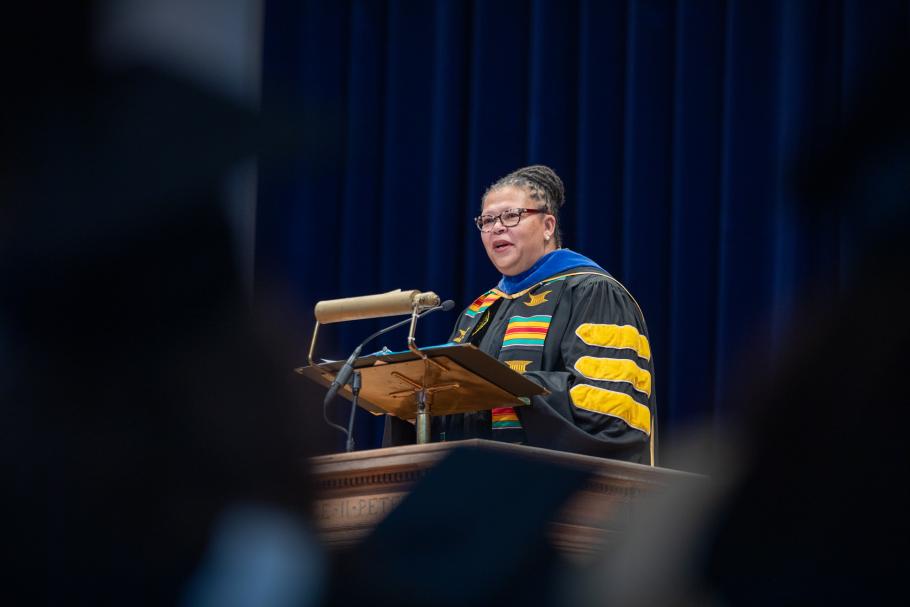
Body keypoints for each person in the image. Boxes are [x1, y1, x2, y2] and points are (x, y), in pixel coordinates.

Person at [385, 165, 656, 464]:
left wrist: (503, 386)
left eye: (511, 216)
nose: (497, 227)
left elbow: (609, 412)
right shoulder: (480, 311)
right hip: (474, 485)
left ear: (548, 226)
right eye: (487, 221)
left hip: (555, 488)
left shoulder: (592, 291)